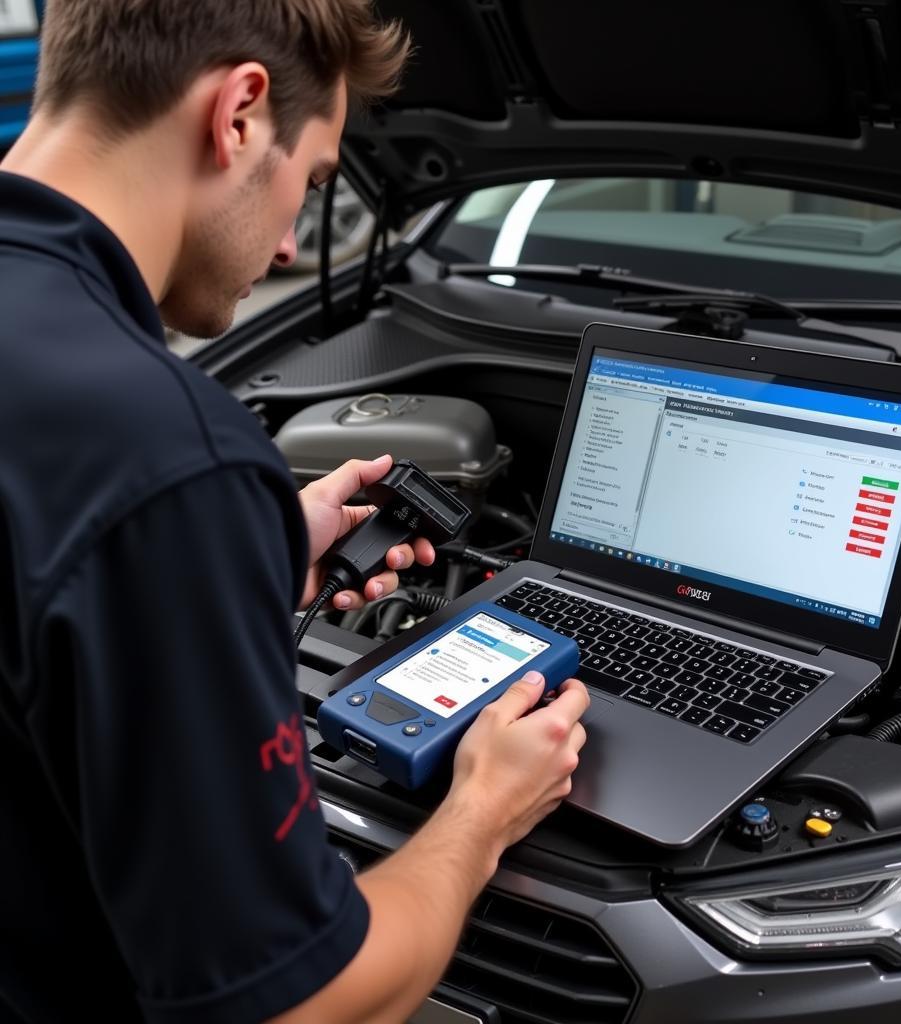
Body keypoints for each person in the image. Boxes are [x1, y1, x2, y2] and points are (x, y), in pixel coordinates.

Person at [0, 2, 589, 1021]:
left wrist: (243, 556)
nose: (285, 249)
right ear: (238, 113)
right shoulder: (164, 457)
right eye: (313, 182)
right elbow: (300, 1005)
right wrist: (483, 814)